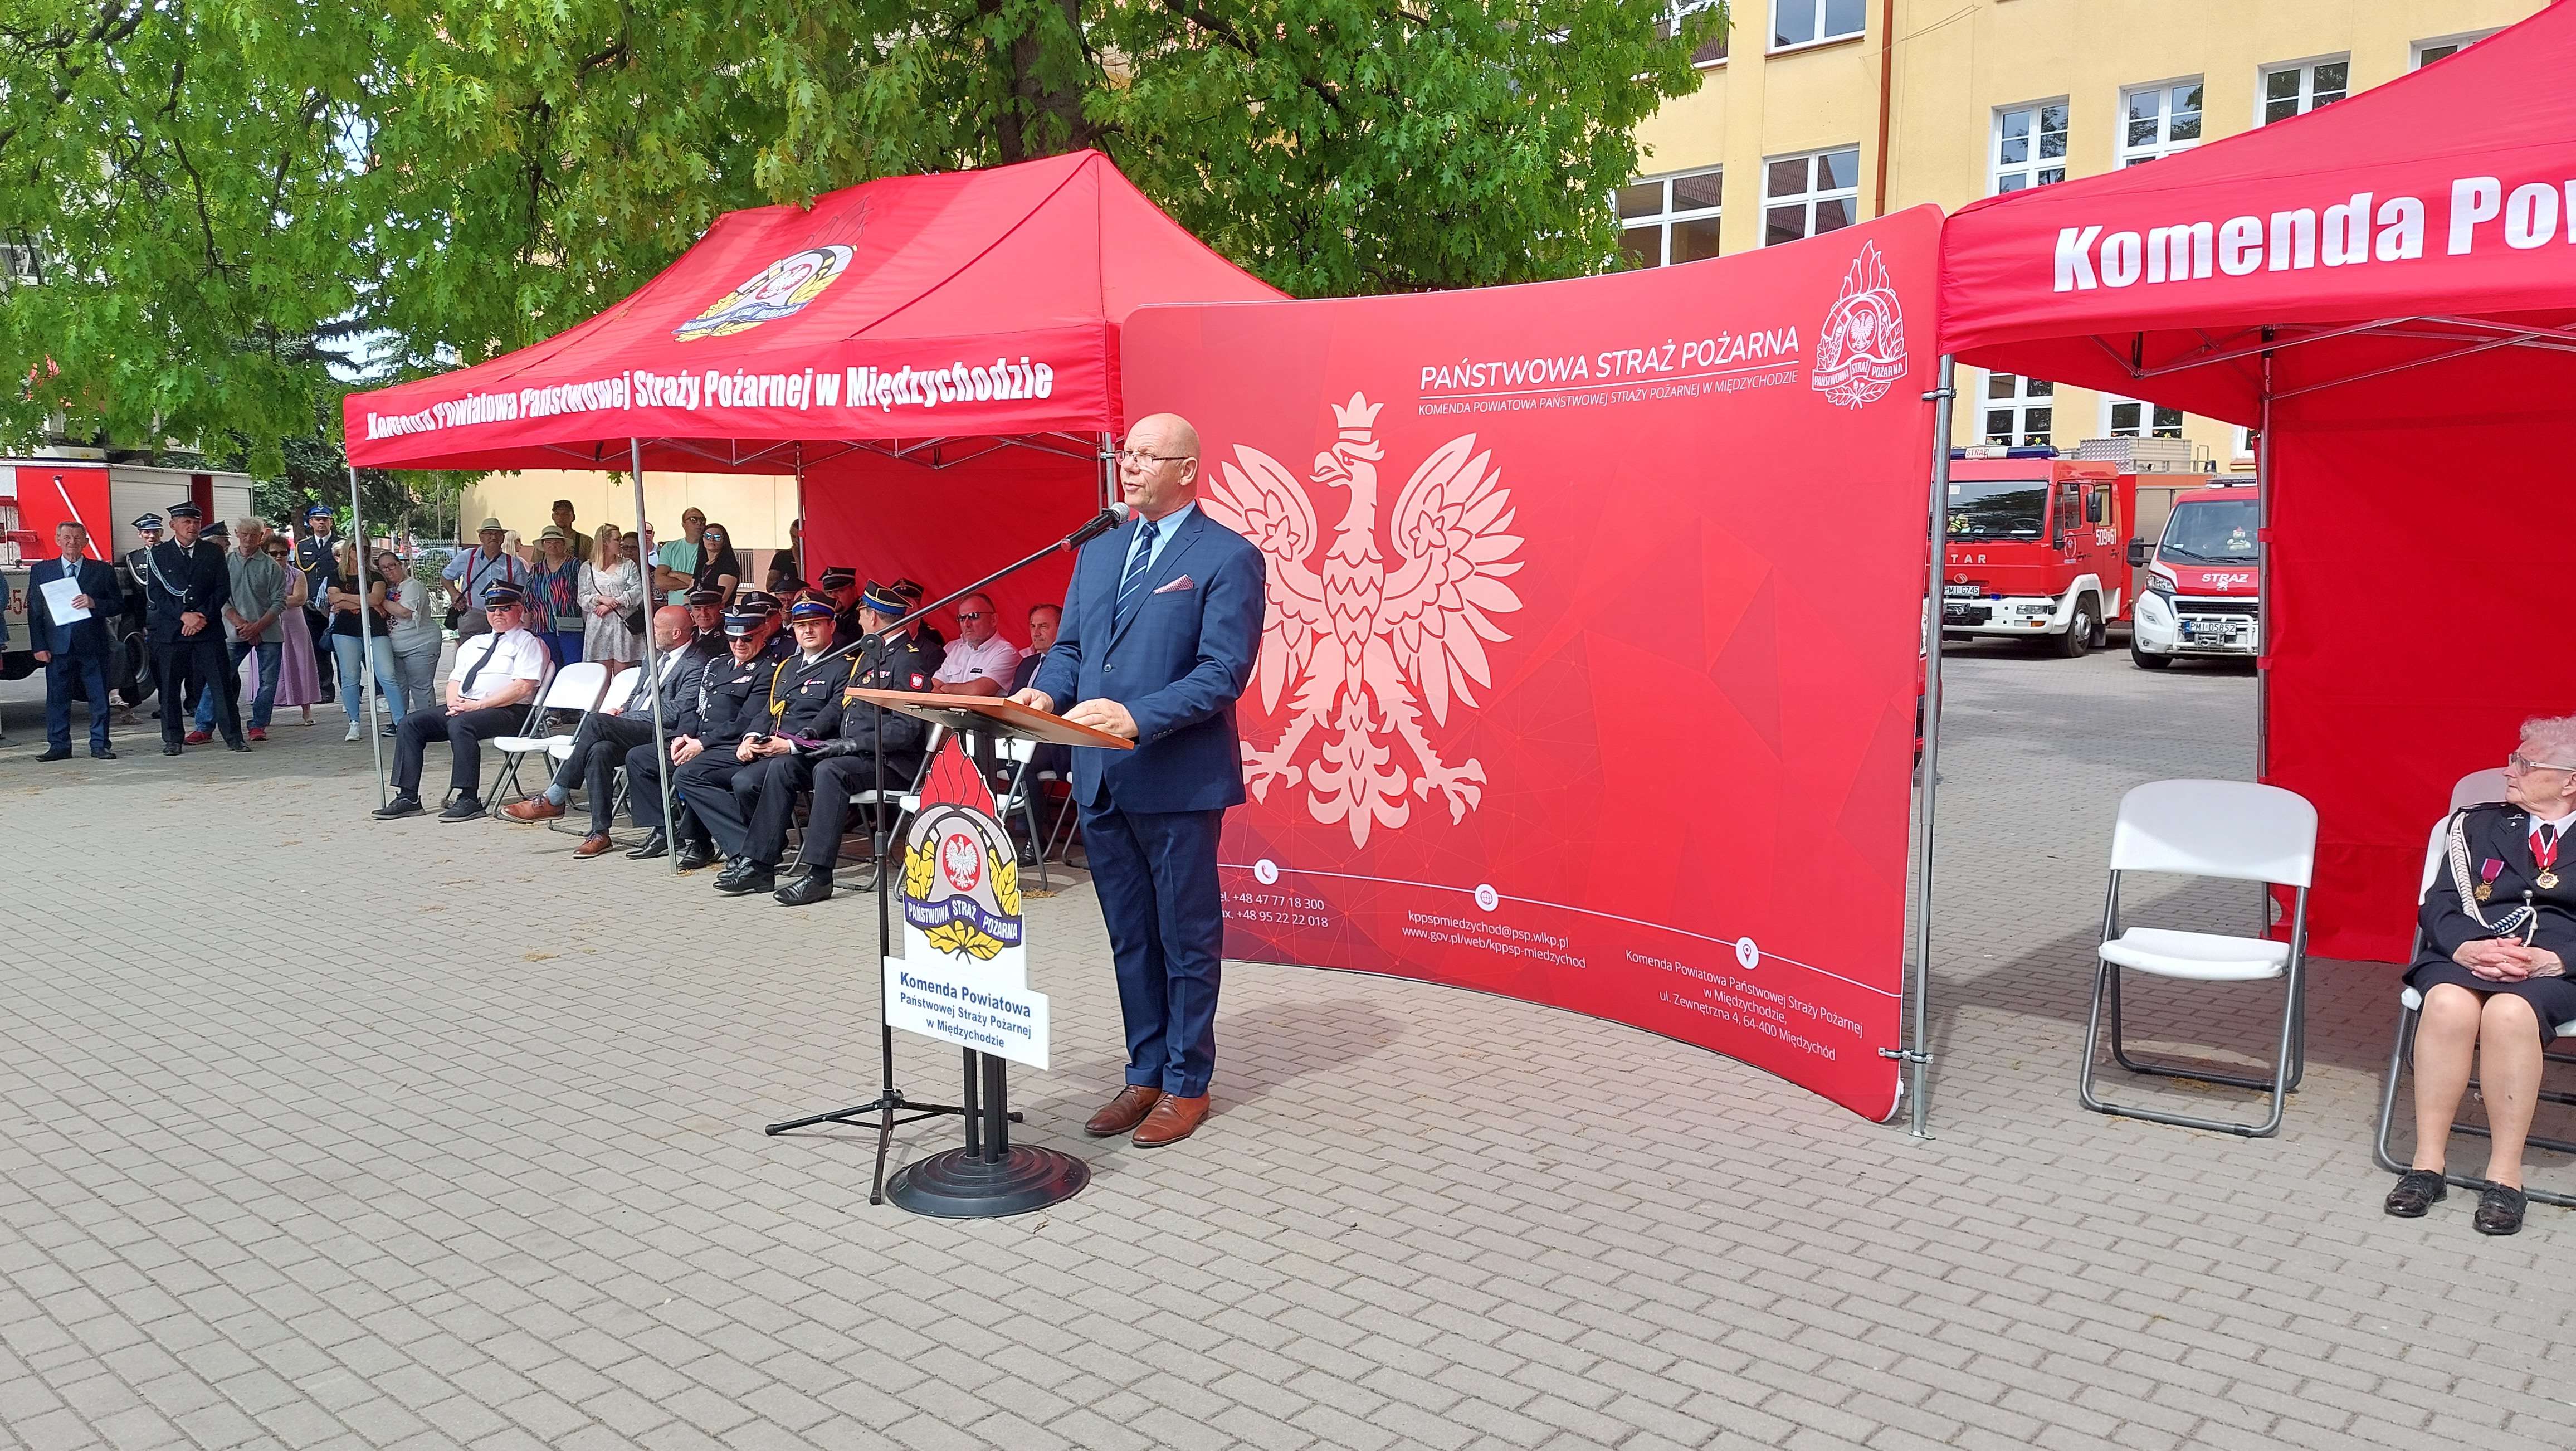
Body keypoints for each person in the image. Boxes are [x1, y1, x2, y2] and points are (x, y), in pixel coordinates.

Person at [1013, 413, 1263, 1148]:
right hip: (1100, 779)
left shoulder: (1226, 556)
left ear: (1187, 469)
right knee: (1131, 940)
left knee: (1185, 940)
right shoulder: (1099, 550)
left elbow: (1222, 673)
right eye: (1127, 453)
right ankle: (1145, 1072)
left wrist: (1137, 716)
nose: (1129, 465)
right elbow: (1071, 648)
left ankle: (1187, 1084)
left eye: (1148, 456)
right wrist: (1046, 692)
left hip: (1176, 779)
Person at [2385, 716, 2576, 1236]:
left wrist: (2556, 960)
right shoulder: (2476, 825)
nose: (2509, 771)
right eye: (2515, 759)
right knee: (2447, 1004)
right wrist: (2468, 947)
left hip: (2559, 968)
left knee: (2509, 1013)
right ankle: (2427, 1166)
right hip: (2472, 951)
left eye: (2525, 764)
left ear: (2569, 782)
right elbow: (2440, 902)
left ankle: (2505, 1177)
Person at [773, 581, 936, 907]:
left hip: (892, 764)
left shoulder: (907, 661)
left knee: (831, 771)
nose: (858, 618)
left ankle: (819, 876)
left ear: (873, 617)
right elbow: (842, 704)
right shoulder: (871, 653)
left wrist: (848, 745)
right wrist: (812, 730)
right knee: (786, 766)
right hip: (860, 756)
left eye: (862, 612)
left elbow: (906, 730)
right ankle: (759, 861)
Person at [502, 605, 709, 858]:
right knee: (599, 751)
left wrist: (623, 718)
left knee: (596, 722)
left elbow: (675, 713)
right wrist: (622, 710)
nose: (651, 631)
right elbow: (637, 696)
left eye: (656, 627)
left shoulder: (696, 664)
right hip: (635, 724)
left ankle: (555, 797)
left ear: (676, 633)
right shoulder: (653, 658)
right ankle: (600, 833)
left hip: (662, 732)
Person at [693, 594, 853, 897]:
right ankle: (756, 857)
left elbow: (833, 714)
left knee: (751, 780)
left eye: (816, 624)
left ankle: (760, 863)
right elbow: (770, 710)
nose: (807, 631)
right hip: (774, 747)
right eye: (801, 625)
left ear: (831, 626)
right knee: (715, 776)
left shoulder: (845, 666)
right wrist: (751, 737)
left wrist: (792, 744)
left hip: (813, 751)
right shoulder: (789, 667)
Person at [373, 585, 548, 821]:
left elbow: (522, 688)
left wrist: (478, 706)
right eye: (492, 609)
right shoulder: (475, 643)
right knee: (410, 723)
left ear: (520, 610)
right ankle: (408, 797)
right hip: (467, 707)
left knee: (461, 724)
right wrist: (454, 703)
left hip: (510, 712)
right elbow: (455, 679)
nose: (498, 613)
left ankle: (468, 798)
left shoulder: (529, 643)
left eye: (505, 608)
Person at [658, 595, 789, 870]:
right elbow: (695, 707)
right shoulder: (717, 664)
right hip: (704, 742)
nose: (739, 644)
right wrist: (683, 737)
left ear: (763, 633)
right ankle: (669, 833)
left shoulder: (770, 670)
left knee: (690, 773)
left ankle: (744, 847)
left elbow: (746, 721)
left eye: (747, 638)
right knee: (644, 758)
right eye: (733, 638)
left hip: (737, 746)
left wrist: (701, 744)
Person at [145, 502, 247, 756]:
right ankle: (172, 739)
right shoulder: (159, 553)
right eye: (186, 522)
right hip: (172, 630)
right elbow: (156, 592)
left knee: (221, 685)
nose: (192, 527)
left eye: (196, 522)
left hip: (207, 629)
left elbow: (222, 588)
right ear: (173, 525)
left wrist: (200, 616)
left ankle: (234, 737)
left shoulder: (212, 551)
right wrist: (184, 616)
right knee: (170, 688)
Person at [27, 520, 121, 761]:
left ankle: (100, 744)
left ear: (86, 542)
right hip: (57, 646)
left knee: (98, 698)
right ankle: (59, 746)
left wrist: (94, 603)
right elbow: (35, 612)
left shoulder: (102, 570)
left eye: (78, 538)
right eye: (67, 537)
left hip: (93, 645)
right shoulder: (42, 571)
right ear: (57, 540)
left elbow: (118, 605)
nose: (72, 542)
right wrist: (39, 646)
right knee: (57, 699)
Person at [191, 518, 285, 742]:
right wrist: (243, 625)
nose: (248, 539)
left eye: (253, 535)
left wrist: (257, 627)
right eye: (244, 534)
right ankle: (204, 727)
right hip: (234, 631)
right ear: (236, 534)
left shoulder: (271, 566)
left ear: (261, 537)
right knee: (218, 678)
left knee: (268, 683)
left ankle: (258, 725)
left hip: (268, 632)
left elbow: (279, 602)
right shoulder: (224, 563)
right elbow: (220, 598)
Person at [325, 541, 406, 738]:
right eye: (355, 547)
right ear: (348, 549)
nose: (360, 551)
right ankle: (354, 723)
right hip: (346, 631)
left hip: (375, 630)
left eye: (365, 548)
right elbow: (334, 600)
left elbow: (376, 599)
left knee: (387, 675)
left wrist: (346, 600)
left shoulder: (375, 576)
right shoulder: (336, 575)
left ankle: (401, 722)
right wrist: (366, 601)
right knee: (350, 678)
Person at [379, 551, 441, 725]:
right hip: (395, 646)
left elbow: (405, 612)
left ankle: (429, 725)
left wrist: (378, 600)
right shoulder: (386, 588)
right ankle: (401, 723)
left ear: (401, 565)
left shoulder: (413, 586)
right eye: (384, 568)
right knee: (399, 687)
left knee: (421, 687)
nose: (388, 570)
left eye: (392, 565)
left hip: (421, 644)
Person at [442, 518, 526, 637]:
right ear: (481, 537)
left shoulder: (514, 564)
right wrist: (454, 594)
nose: (493, 537)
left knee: (504, 648)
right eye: (489, 534)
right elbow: (445, 577)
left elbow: (523, 593)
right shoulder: (467, 557)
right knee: (470, 648)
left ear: (502, 538)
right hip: (474, 615)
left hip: (503, 616)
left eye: (497, 534)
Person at [270, 536, 322, 724]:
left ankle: (307, 710)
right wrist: (283, 600)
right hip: (268, 624)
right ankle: (264, 713)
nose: (279, 557)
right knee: (269, 668)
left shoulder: (297, 574)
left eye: (283, 553)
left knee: (301, 664)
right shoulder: (261, 573)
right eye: (274, 553)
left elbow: (300, 598)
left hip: (294, 625)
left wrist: (272, 602)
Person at [579, 523, 647, 669]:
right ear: (605, 542)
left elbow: (637, 592)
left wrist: (613, 603)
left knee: (623, 672)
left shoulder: (628, 565)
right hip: (599, 626)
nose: (621, 543)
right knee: (600, 673)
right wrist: (600, 599)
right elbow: (582, 597)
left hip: (623, 624)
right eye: (617, 539)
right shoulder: (588, 567)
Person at [295, 505, 344, 703]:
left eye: (325, 519)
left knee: (342, 650)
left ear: (331, 522)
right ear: (311, 522)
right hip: (311, 606)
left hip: (336, 606)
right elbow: (300, 575)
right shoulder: (302, 546)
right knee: (318, 650)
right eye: (317, 519)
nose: (321, 522)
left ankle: (350, 690)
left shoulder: (341, 544)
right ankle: (325, 691)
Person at [930, 592, 1018, 698]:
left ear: (993, 620)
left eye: (974, 616)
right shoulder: (957, 651)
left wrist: (947, 688)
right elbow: (932, 686)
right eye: (962, 618)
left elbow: (978, 691)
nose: (966, 624)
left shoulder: (1007, 653)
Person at [525, 526, 585, 665]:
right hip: (543, 627)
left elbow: (583, 594)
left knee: (574, 666)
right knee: (550, 667)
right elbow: (529, 600)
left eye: (557, 542)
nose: (553, 545)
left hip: (571, 627)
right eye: (548, 542)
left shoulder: (575, 565)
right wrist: (527, 631)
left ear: (564, 544)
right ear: (543, 546)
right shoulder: (537, 569)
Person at [652, 507, 708, 605]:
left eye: (703, 520)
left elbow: (708, 582)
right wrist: (697, 584)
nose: (699, 523)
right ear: (684, 524)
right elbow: (660, 581)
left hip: (702, 608)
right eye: (694, 519)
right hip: (676, 609)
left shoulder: (711, 549)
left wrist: (676, 574)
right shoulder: (669, 548)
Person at [694, 521, 744, 603]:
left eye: (717, 537)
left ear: (724, 541)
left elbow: (721, 598)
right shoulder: (702, 564)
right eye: (707, 536)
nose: (712, 539)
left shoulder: (729, 565)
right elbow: (689, 593)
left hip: (718, 609)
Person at [550, 499, 596, 564]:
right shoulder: (546, 542)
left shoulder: (585, 541)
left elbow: (595, 565)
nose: (560, 517)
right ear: (553, 517)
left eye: (565, 514)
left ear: (573, 517)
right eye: (557, 514)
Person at [765, 519, 803, 595]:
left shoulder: (815, 557)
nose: (794, 539)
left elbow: (805, 582)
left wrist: (797, 558)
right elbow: (769, 586)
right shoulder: (782, 556)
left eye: (797, 537)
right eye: (792, 535)